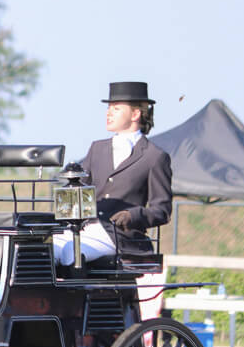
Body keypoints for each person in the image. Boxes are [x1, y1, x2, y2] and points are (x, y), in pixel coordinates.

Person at [53, 82, 173, 265]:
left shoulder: (154, 157)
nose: (108, 113)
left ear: (135, 114)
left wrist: (133, 215)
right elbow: (81, 189)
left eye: (116, 108)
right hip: (84, 229)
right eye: (108, 108)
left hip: (119, 237)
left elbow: (162, 211)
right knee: (45, 247)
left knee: (72, 250)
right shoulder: (97, 148)